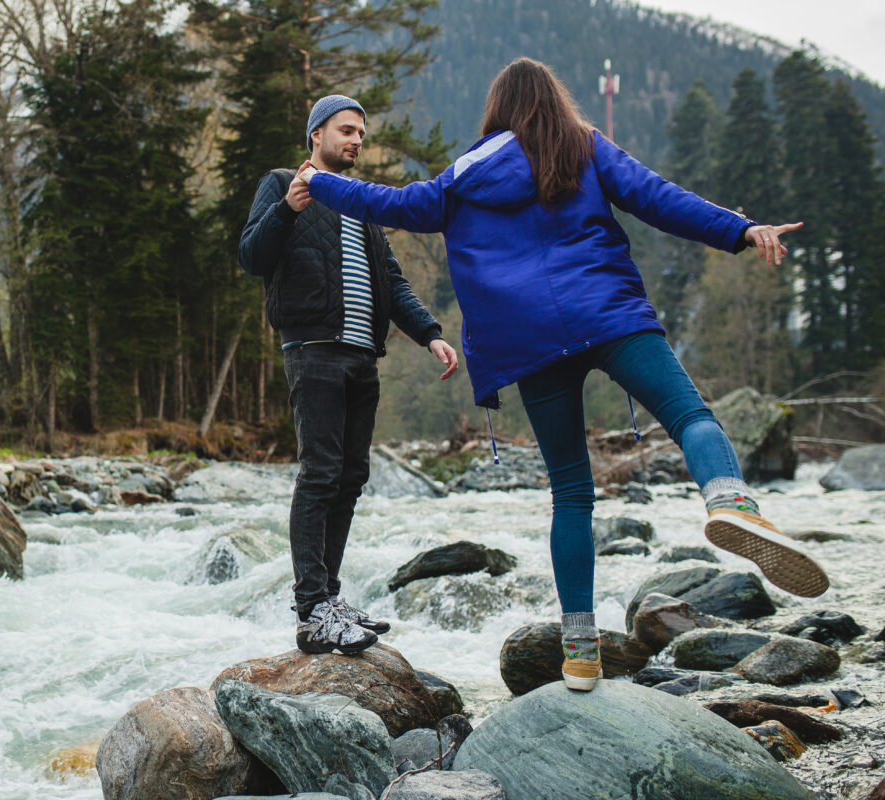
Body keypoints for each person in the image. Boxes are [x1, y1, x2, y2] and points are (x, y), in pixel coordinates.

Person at [295, 58, 829, 689]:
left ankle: (579, 652)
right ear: (553, 100)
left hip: (528, 342)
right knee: (689, 415)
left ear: (497, 109)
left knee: (572, 492)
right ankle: (731, 501)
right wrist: (741, 230)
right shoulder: (584, 146)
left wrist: (319, 182)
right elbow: (662, 200)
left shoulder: (465, 174)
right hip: (609, 314)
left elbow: (394, 204)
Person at [239, 95, 460, 655]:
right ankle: (312, 609)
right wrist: (286, 210)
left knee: (351, 475)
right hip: (312, 350)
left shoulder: (360, 202)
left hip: (364, 356)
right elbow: (251, 257)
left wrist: (430, 333)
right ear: (316, 134)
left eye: (361, 132)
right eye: (346, 130)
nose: (356, 140)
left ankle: (330, 599)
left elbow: (392, 280)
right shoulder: (282, 184)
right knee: (320, 474)